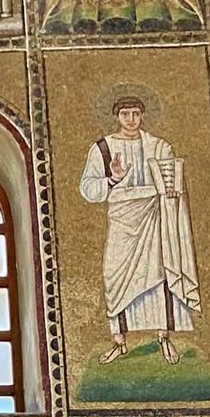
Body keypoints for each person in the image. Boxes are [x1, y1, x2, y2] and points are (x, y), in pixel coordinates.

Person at [79, 96, 199, 366]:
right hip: (122, 217)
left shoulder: (159, 146)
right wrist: (113, 178)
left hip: (153, 214)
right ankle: (119, 341)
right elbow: (88, 188)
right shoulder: (102, 148)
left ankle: (163, 336)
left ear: (143, 115)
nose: (131, 119)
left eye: (135, 113)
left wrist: (171, 190)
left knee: (159, 271)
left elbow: (171, 178)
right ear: (116, 116)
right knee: (114, 274)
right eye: (125, 114)